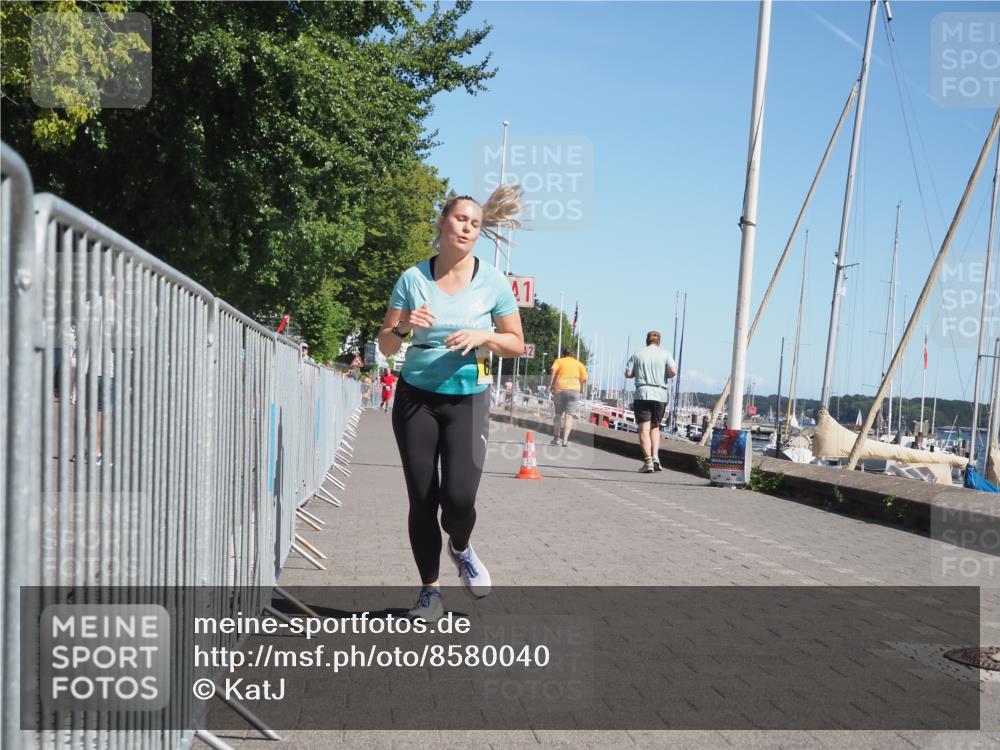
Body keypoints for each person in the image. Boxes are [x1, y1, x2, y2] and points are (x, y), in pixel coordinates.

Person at [378, 185, 524, 622]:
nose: (467, 228)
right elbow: (385, 345)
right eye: (461, 219)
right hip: (416, 399)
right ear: (443, 222)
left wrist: (485, 336)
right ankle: (430, 592)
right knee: (422, 498)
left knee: (459, 499)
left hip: (469, 399)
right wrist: (404, 325)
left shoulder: (493, 281)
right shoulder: (413, 279)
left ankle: (460, 547)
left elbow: (516, 343)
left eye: (475, 224)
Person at [625, 330, 677, 473]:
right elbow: (673, 371)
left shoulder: (637, 354)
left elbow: (628, 373)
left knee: (644, 429)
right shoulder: (665, 354)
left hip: (642, 394)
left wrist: (638, 372)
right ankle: (655, 458)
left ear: (647, 341)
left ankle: (648, 462)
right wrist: (664, 374)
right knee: (655, 427)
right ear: (659, 341)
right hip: (660, 395)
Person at [548, 347, 587, 446]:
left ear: (563, 354)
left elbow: (553, 371)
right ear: (573, 355)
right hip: (574, 391)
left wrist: (550, 385)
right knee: (569, 417)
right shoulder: (579, 364)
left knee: (558, 415)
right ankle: (565, 441)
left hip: (560, 389)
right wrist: (577, 384)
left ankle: (556, 438)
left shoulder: (559, 361)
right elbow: (584, 379)